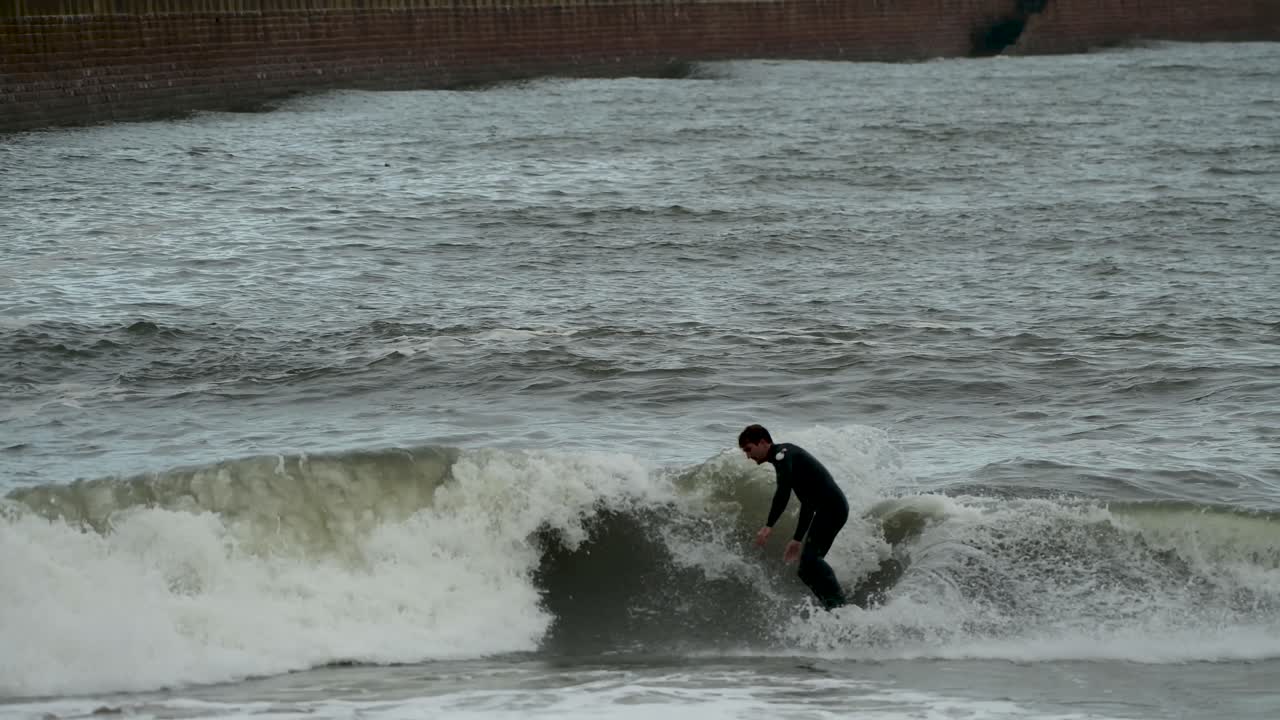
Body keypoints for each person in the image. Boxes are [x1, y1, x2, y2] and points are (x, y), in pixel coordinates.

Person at [738, 424, 849, 610]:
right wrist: (797, 540)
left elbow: (783, 492)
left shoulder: (783, 455)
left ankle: (840, 605)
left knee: (812, 560)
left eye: (749, 449)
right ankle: (831, 607)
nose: (748, 456)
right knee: (805, 569)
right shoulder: (785, 458)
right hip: (827, 509)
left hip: (832, 508)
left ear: (763, 442)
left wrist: (768, 526)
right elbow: (807, 503)